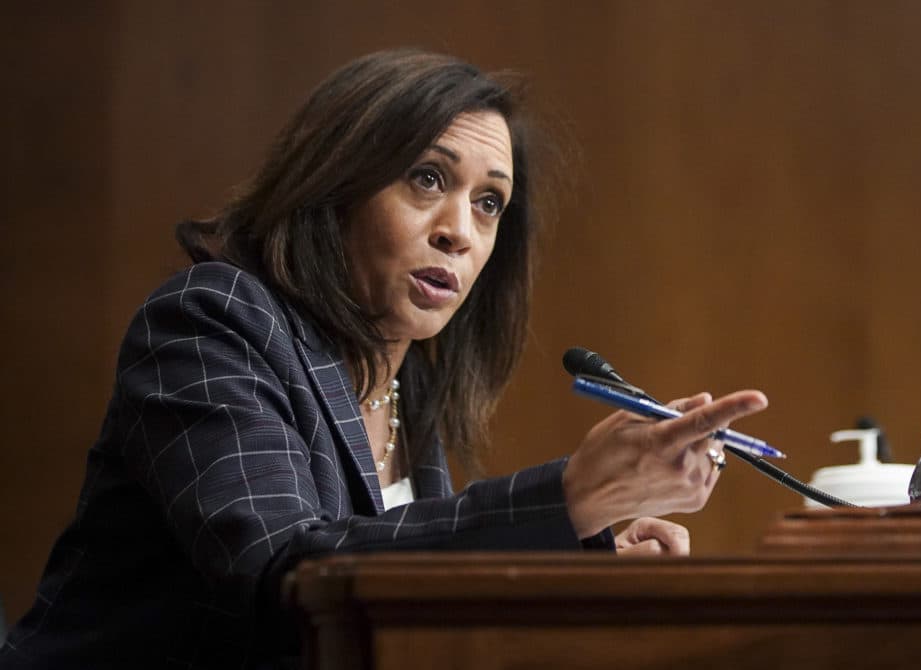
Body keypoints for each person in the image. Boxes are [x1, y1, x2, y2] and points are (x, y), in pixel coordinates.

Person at [0, 49, 767, 668]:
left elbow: (409, 590)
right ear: (334, 188)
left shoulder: (401, 382)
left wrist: (587, 552)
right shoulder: (209, 324)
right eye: (427, 179)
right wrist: (567, 499)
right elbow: (288, 579)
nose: (459, 231)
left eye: (488, 202)